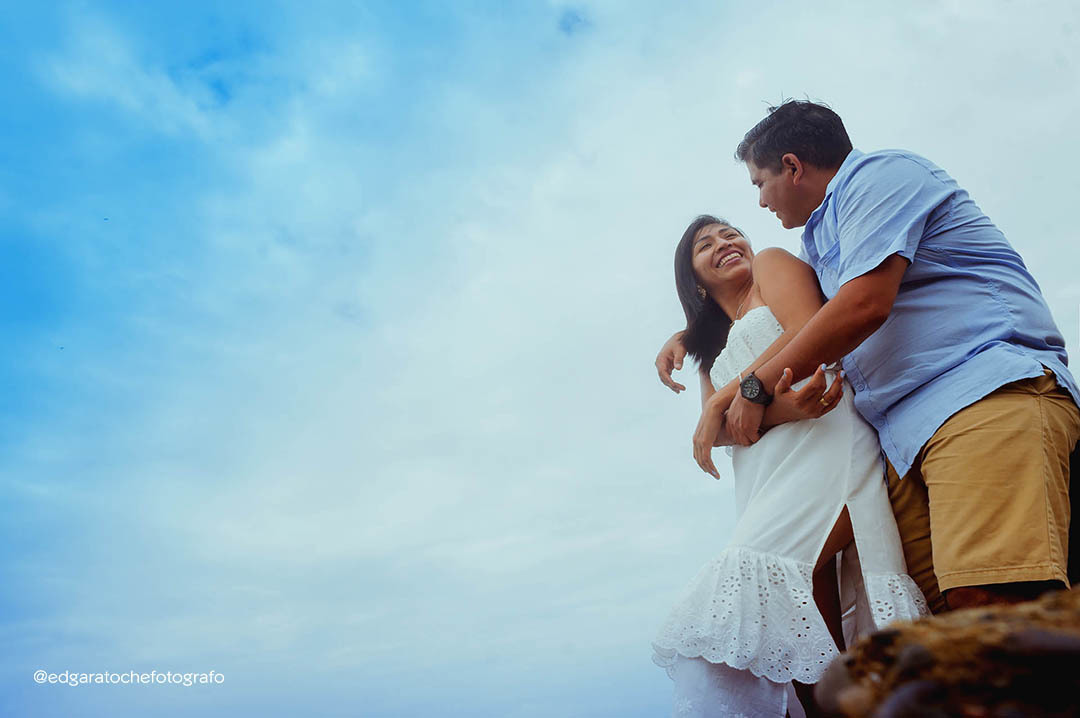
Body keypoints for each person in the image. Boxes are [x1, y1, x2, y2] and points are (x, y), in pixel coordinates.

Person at [656, 101, 1080, 614]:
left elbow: (861, 307)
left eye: (759, 183)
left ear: (792, 167)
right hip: (899, 443)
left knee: (994, 600)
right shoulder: (818, 243)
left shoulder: (882, 178)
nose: (761, 202)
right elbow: (774, 309)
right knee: (936, 622)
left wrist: (752, 387)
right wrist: (690, 332)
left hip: (975, 395)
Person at [651, 215, 928, 718]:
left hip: (823, 445)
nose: (725, 243)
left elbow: (808, 327)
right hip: (762, 473)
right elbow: (722, 432)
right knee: (808, 646)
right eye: (705, 245)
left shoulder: (771, 265)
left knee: (752, 588)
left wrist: (725, 401)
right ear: (693, 279)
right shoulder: (710, 348)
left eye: (730, 233)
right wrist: (761, 407)